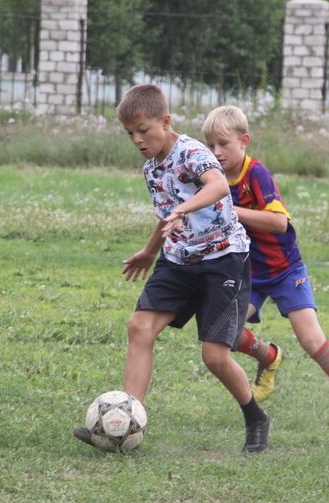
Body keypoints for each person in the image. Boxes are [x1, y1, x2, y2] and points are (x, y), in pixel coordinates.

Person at [73, 84, 271, 453]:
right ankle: (126, 422)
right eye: (130, 133)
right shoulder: (151, 168)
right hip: (179, 260)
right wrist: (150, 250)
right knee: (139, 326)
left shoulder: (192, 152)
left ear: (166, 121)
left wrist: (183, 209)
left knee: (214, 356)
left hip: (223, 258)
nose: (137, 139)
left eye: (143, 130)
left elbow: (217, 188)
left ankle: (255, 417)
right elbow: (166, 213)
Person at [201, 105, 329, 428]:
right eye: (210, 145)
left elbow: (279, 223)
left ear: (244, 141)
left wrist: (231, 210)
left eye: (223, 144)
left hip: (284, 272)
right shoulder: (214, 179)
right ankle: (268, 357)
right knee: (224, 332)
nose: (216, 152)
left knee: (311, 341)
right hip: (250, 274)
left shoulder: (256, 173)